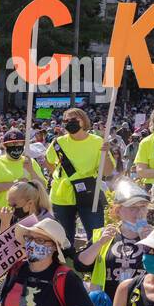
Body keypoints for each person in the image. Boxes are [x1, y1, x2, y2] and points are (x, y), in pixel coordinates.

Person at [43, 107, 113, 259]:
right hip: (61, 197)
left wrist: (106, 155)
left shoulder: (98, 142)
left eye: (74, 120)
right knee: (63, 239)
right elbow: (48, 162)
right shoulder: (58, 142)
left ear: (84, 121)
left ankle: (93, 270)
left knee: (96, 237)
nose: (70, 123)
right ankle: (67, 271)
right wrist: (58, 173)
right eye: (66, 121)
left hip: (88, 194)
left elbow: (107, 171)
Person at [78, 181, 150, 302]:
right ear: (117, 211)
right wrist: (100, 243)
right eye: (132, 208)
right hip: (107, 305)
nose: (139, 212)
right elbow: (81, 265)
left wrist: (148, 242)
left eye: (143, 207)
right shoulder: (105, 234)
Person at [0, 128, 46, 239]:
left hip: (23, 214)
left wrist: (31, 170)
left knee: (20, 250)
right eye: (12, 144)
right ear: (5, 146)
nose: (16, 146)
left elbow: (42, 187)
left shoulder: (30, 162)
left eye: (19, 143)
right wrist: (15, 184)